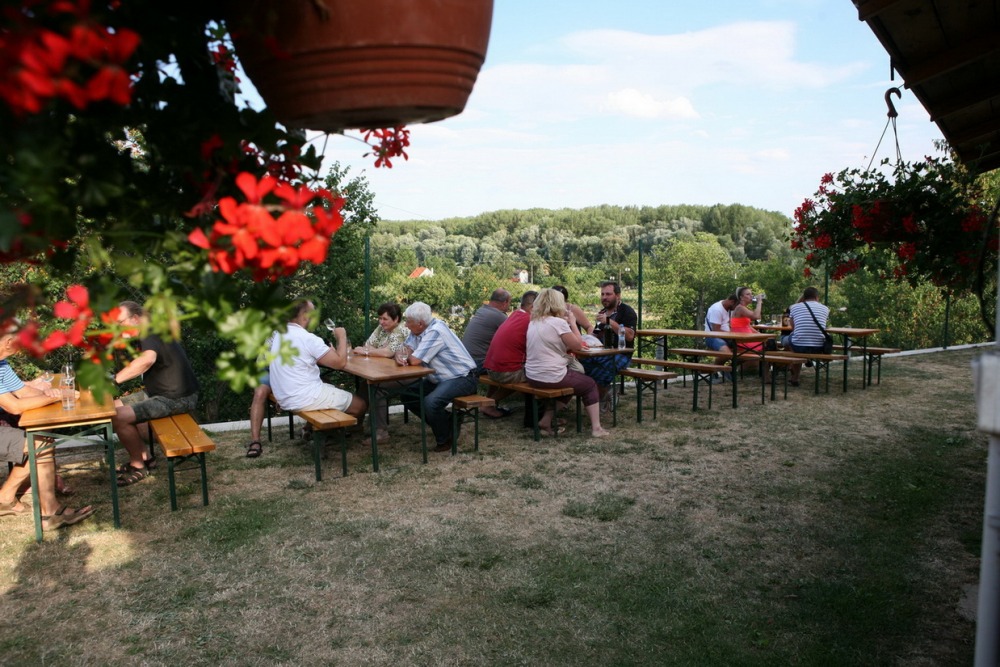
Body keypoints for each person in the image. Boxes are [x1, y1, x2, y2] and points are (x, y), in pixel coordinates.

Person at [0, 322, 95, 530]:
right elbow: (14, 406)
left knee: (42, 436)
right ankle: (50, 514)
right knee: (39, 443)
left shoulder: (2, 364)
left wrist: (51, 394)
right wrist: (57, 397)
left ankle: (6, 497)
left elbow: (24, 393)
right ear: (8, 342)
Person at [112, 300, 200, 487]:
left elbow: (147, 360)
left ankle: (138, 466)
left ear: (136, 318)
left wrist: (114, 380)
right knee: (112, 408)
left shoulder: (149, 332)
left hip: (175, 398)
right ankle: (146, 457)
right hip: (158, 392)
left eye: (120, 322)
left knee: (118, 417)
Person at [394, 302, 478, 453]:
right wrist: (400, 355)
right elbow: (405, 349)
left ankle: (444, 439)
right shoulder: (418, 330)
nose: (405, 325)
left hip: (463, 378)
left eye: (408, 321)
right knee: (408, 395)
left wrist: (404, 356)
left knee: (431, 402)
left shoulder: (435, 331)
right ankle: (448, 421)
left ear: (420, 323)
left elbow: (415, 360)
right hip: (439, 379)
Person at [525, 289, 610, 438]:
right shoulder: (558, 323)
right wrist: (572, 323)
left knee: (572, 384)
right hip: (551, 376)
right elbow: (578, 345)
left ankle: (545, 421)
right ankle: (597, 428)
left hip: (532, 376)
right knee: (589, 384)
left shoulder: (534, 322)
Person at [268, 300, 367, 420]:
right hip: (302, 398)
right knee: (360, 405)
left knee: (328, 384)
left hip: (285, 396)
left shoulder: (280, 334)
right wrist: (342, 336)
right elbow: (340, 363)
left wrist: (330, 354)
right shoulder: (307, 338)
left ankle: (311, 428)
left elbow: (304, 358)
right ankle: (334, 431)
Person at [352, 302, 411, 444]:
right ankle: (356, 424)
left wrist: (371, 351)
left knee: (376, 387)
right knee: (365, 385)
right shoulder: (381, 328)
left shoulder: (401, 330)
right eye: (380, 318)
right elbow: (368, 345)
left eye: (385, 319)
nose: (381, 322)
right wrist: (376, 351)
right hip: (383, 370)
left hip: (403, 373)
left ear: (396, 319)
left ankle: (381, 432)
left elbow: (387, 352)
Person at [484, 291, 537, 427]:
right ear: (533, 307)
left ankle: (488, 402)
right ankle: (489, 404)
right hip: (505, 372)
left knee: (521, 370)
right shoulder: (530, 321)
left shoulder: (515, 314)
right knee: (539, 374)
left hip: (491, 368)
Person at [582, 281, 636, 411]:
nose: (604, 297)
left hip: (622, 353)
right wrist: (585, 340)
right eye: (602, 294)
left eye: (608, 294)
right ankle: (603, 393)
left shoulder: (627, 311)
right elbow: (595, 334)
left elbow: (630, 336)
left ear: (618, 295)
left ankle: (600, 399)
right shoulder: (602, 312)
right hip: (603, 352)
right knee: (582, 364)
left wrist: (609, 321)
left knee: (603, 371)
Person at [461, 289, 512, 419]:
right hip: (477, 363)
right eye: (510, 303)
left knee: (497, 367)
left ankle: (489, 403)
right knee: (513, 374)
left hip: (467, 360)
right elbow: (515, 337)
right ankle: (489, 405)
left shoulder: (483, 310)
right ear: (505, 302)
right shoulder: (499, 316)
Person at [781, 286, 831, 386]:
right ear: (817, 297)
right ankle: (799, 369)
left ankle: (794, 375)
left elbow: (793, 328)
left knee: (785, 339)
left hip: (798, 346)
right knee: (798, 341)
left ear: (804, 297)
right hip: (819, 347)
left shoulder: (794, 307)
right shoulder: (825, 309)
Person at [729, 286, 770, 383]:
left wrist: (759, 334)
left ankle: (767, 375)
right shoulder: (740, 308)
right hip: (742, 340)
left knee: (769, 343)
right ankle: (769, 375)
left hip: (746, 338)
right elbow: (756, 316)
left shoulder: (743, 308)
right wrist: (759, 302)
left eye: (751, 294)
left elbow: (747, 326)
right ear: (741, 297)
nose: (751, 296)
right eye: (748, 294)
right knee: (769, 346)